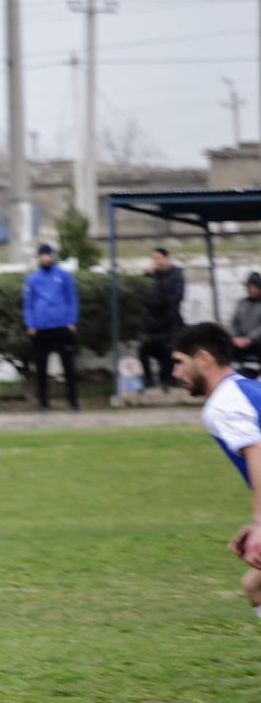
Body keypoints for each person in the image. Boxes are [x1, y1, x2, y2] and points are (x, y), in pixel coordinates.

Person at [170, 322, 261, 622]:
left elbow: (258, 453)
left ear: (204, 359)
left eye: (180, 362)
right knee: (255, 586)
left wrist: (259, 523)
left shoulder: (223, 404)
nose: (175, 373)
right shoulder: (246, 389)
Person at [22, 243, 80, 413]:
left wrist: (71, 320)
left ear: (52, 256)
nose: (46, 258)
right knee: (41, 369)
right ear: (39, 257)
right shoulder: (32, 279)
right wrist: (30, 323)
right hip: (41, 328)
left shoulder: (64, 276)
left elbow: (72, 299)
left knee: (68, 367)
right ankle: (43, 404)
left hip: (62, 327)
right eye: (43, 255)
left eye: (48, 255)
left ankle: (74, 403)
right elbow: (28, 304)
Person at [140, 248, 187, 392]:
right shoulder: (152, 276)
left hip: (171, 323)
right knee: (143, 349)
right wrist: (147, 275)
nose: (157, 262)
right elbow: (143, 295)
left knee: (169, 349)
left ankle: (168, 381)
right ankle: (149, 381)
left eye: (159, 258)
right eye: (154, 259)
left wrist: (162, 300)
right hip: (154, 324)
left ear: (166, 258)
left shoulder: (176, 275)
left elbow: (176, 297)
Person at [229, 273, 261, 367]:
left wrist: (250, 339)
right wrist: (234, 337)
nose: (250, 290)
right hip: (240, 341)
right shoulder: (241, 303)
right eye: (248, 287)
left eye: (253, 287)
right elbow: (234, 323)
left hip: (256, 342)